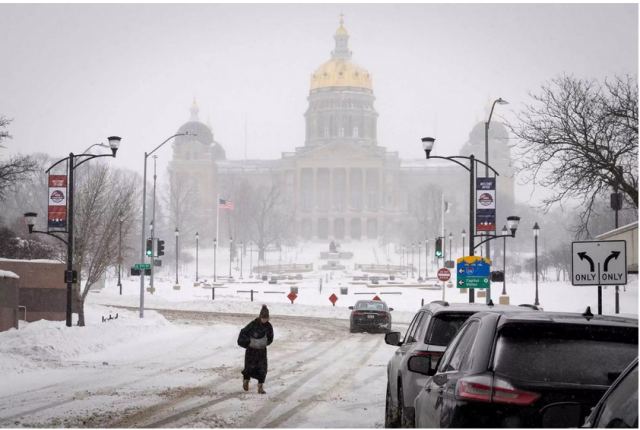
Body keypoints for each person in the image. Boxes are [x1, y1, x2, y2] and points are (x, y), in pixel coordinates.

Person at [238, 304, 274, 394]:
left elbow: (270, 338)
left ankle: (260, 387)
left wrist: (265, 343)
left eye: (266, 318)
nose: (265, 320)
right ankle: (246, 381)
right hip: (251, 351)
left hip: (262, 351)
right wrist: (247, 342)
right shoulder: (253, 324)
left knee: (262, 369)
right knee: (249, 368)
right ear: (260, 316)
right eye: (263, 318)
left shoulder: (269, 326)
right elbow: (243, 332)